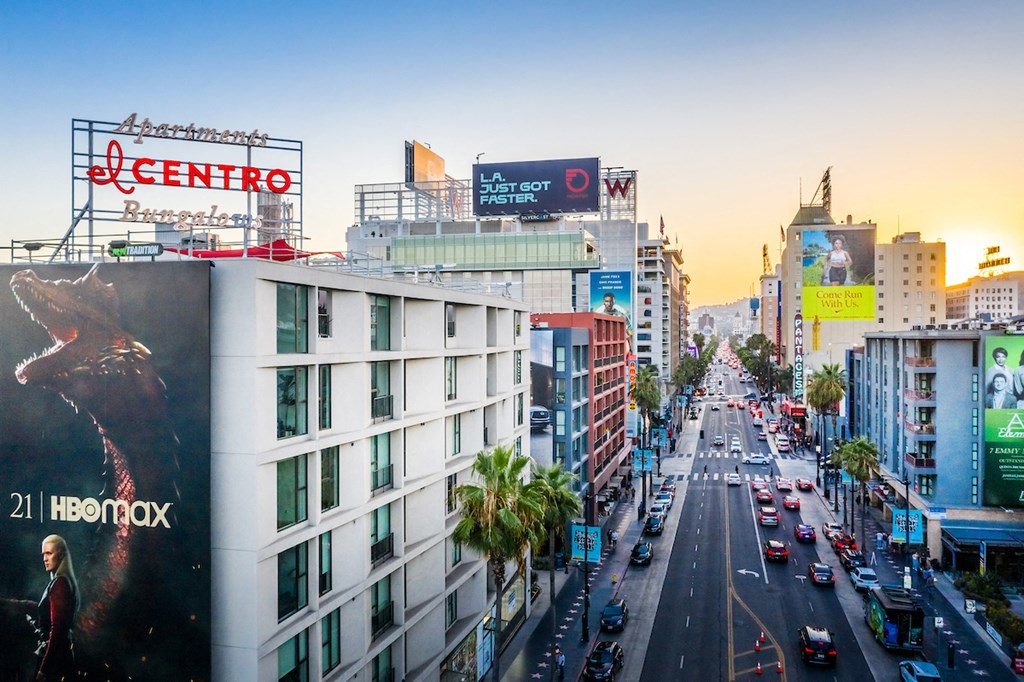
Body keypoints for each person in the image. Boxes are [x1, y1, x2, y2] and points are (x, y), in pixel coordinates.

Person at [34, 535, 79, 681]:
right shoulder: (62, 582)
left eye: (49, 553)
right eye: (43, 554)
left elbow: (58, 629)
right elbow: (45, 610)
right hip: (59, 659)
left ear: (60, 555)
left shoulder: (60, 584)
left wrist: (44, 670)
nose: (44, 559)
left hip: (55, 664)